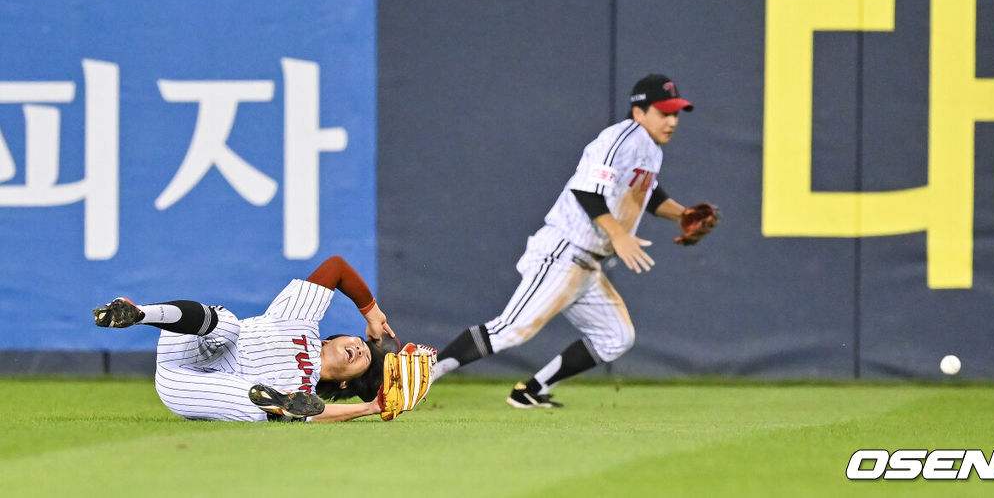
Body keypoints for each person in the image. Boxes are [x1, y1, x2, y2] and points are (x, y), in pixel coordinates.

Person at [432, 74, 707, 408]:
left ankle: (530, 391)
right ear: (639, 112)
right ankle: (422, 375)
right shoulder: (620, 139)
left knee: (616, 337)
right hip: (563, 250)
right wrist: (619, 235)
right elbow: (585, 189)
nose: (672, 120)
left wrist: (682, 215)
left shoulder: (650, 149)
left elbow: (646, 193)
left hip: (587, 265)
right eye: (664, 112)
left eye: (676, 113)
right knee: (511, 329)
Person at [94, 255, 399, 422]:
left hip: (187, 388)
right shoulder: (301, 321)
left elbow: (319, 414)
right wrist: (371, 314)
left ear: (346, 383)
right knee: (226, 323)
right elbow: (336, 268)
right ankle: (139, 313)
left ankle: (279, 409)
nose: (360, 347)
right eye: (359, 342)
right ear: (329, 340)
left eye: (364, 358)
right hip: (191, 347)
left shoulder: (306, 394)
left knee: (260, 405)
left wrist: (371, 407)